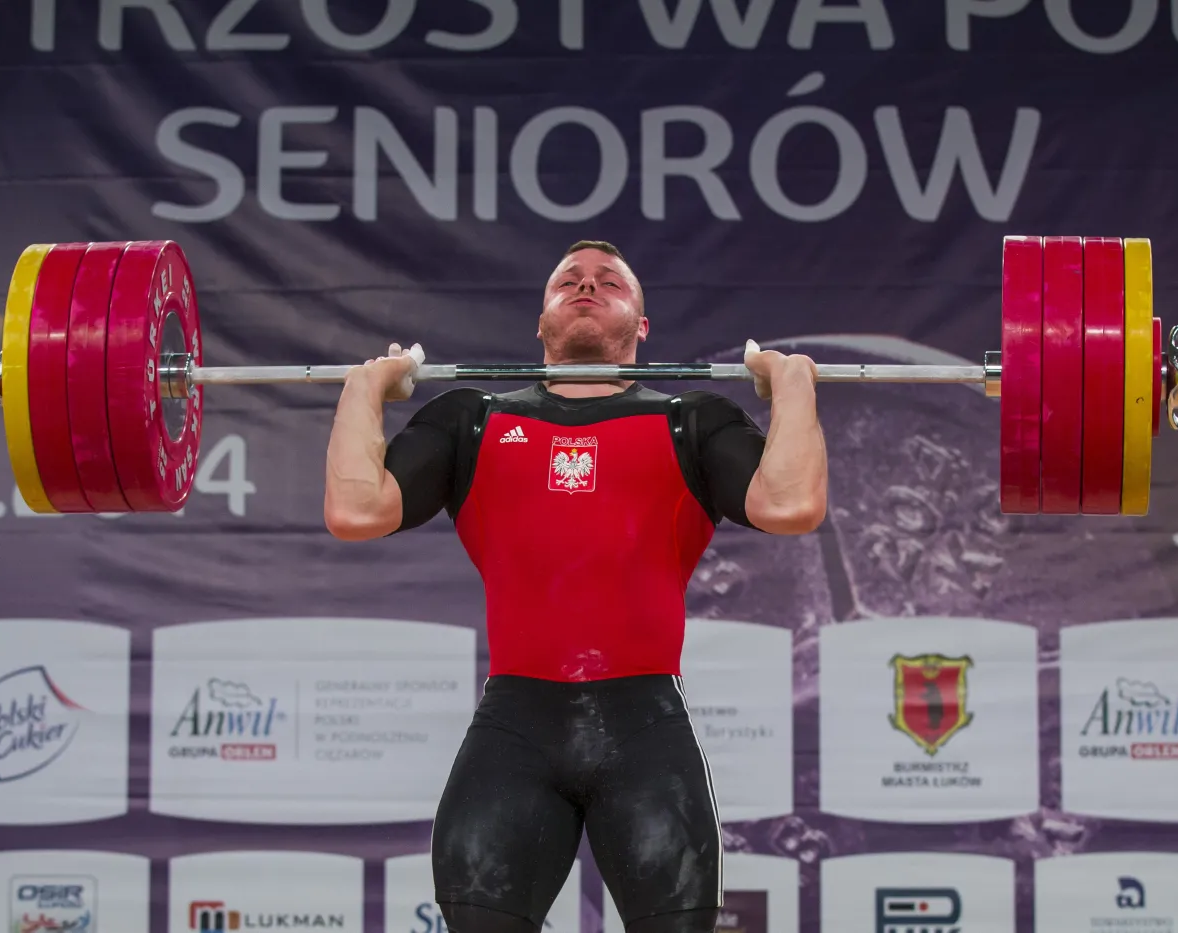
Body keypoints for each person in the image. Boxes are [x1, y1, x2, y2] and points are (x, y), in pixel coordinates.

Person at [322, 241, 828, 933]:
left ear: (641, 325)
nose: (587, 286)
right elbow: (356, 511)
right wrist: (364, 388)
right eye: (570, 280)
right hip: (515, 731)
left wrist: (793, 383)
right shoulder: (471, 420)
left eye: (609, 281)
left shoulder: (691, 420)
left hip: (647, 733)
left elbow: (792, 504)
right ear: (542, 320)